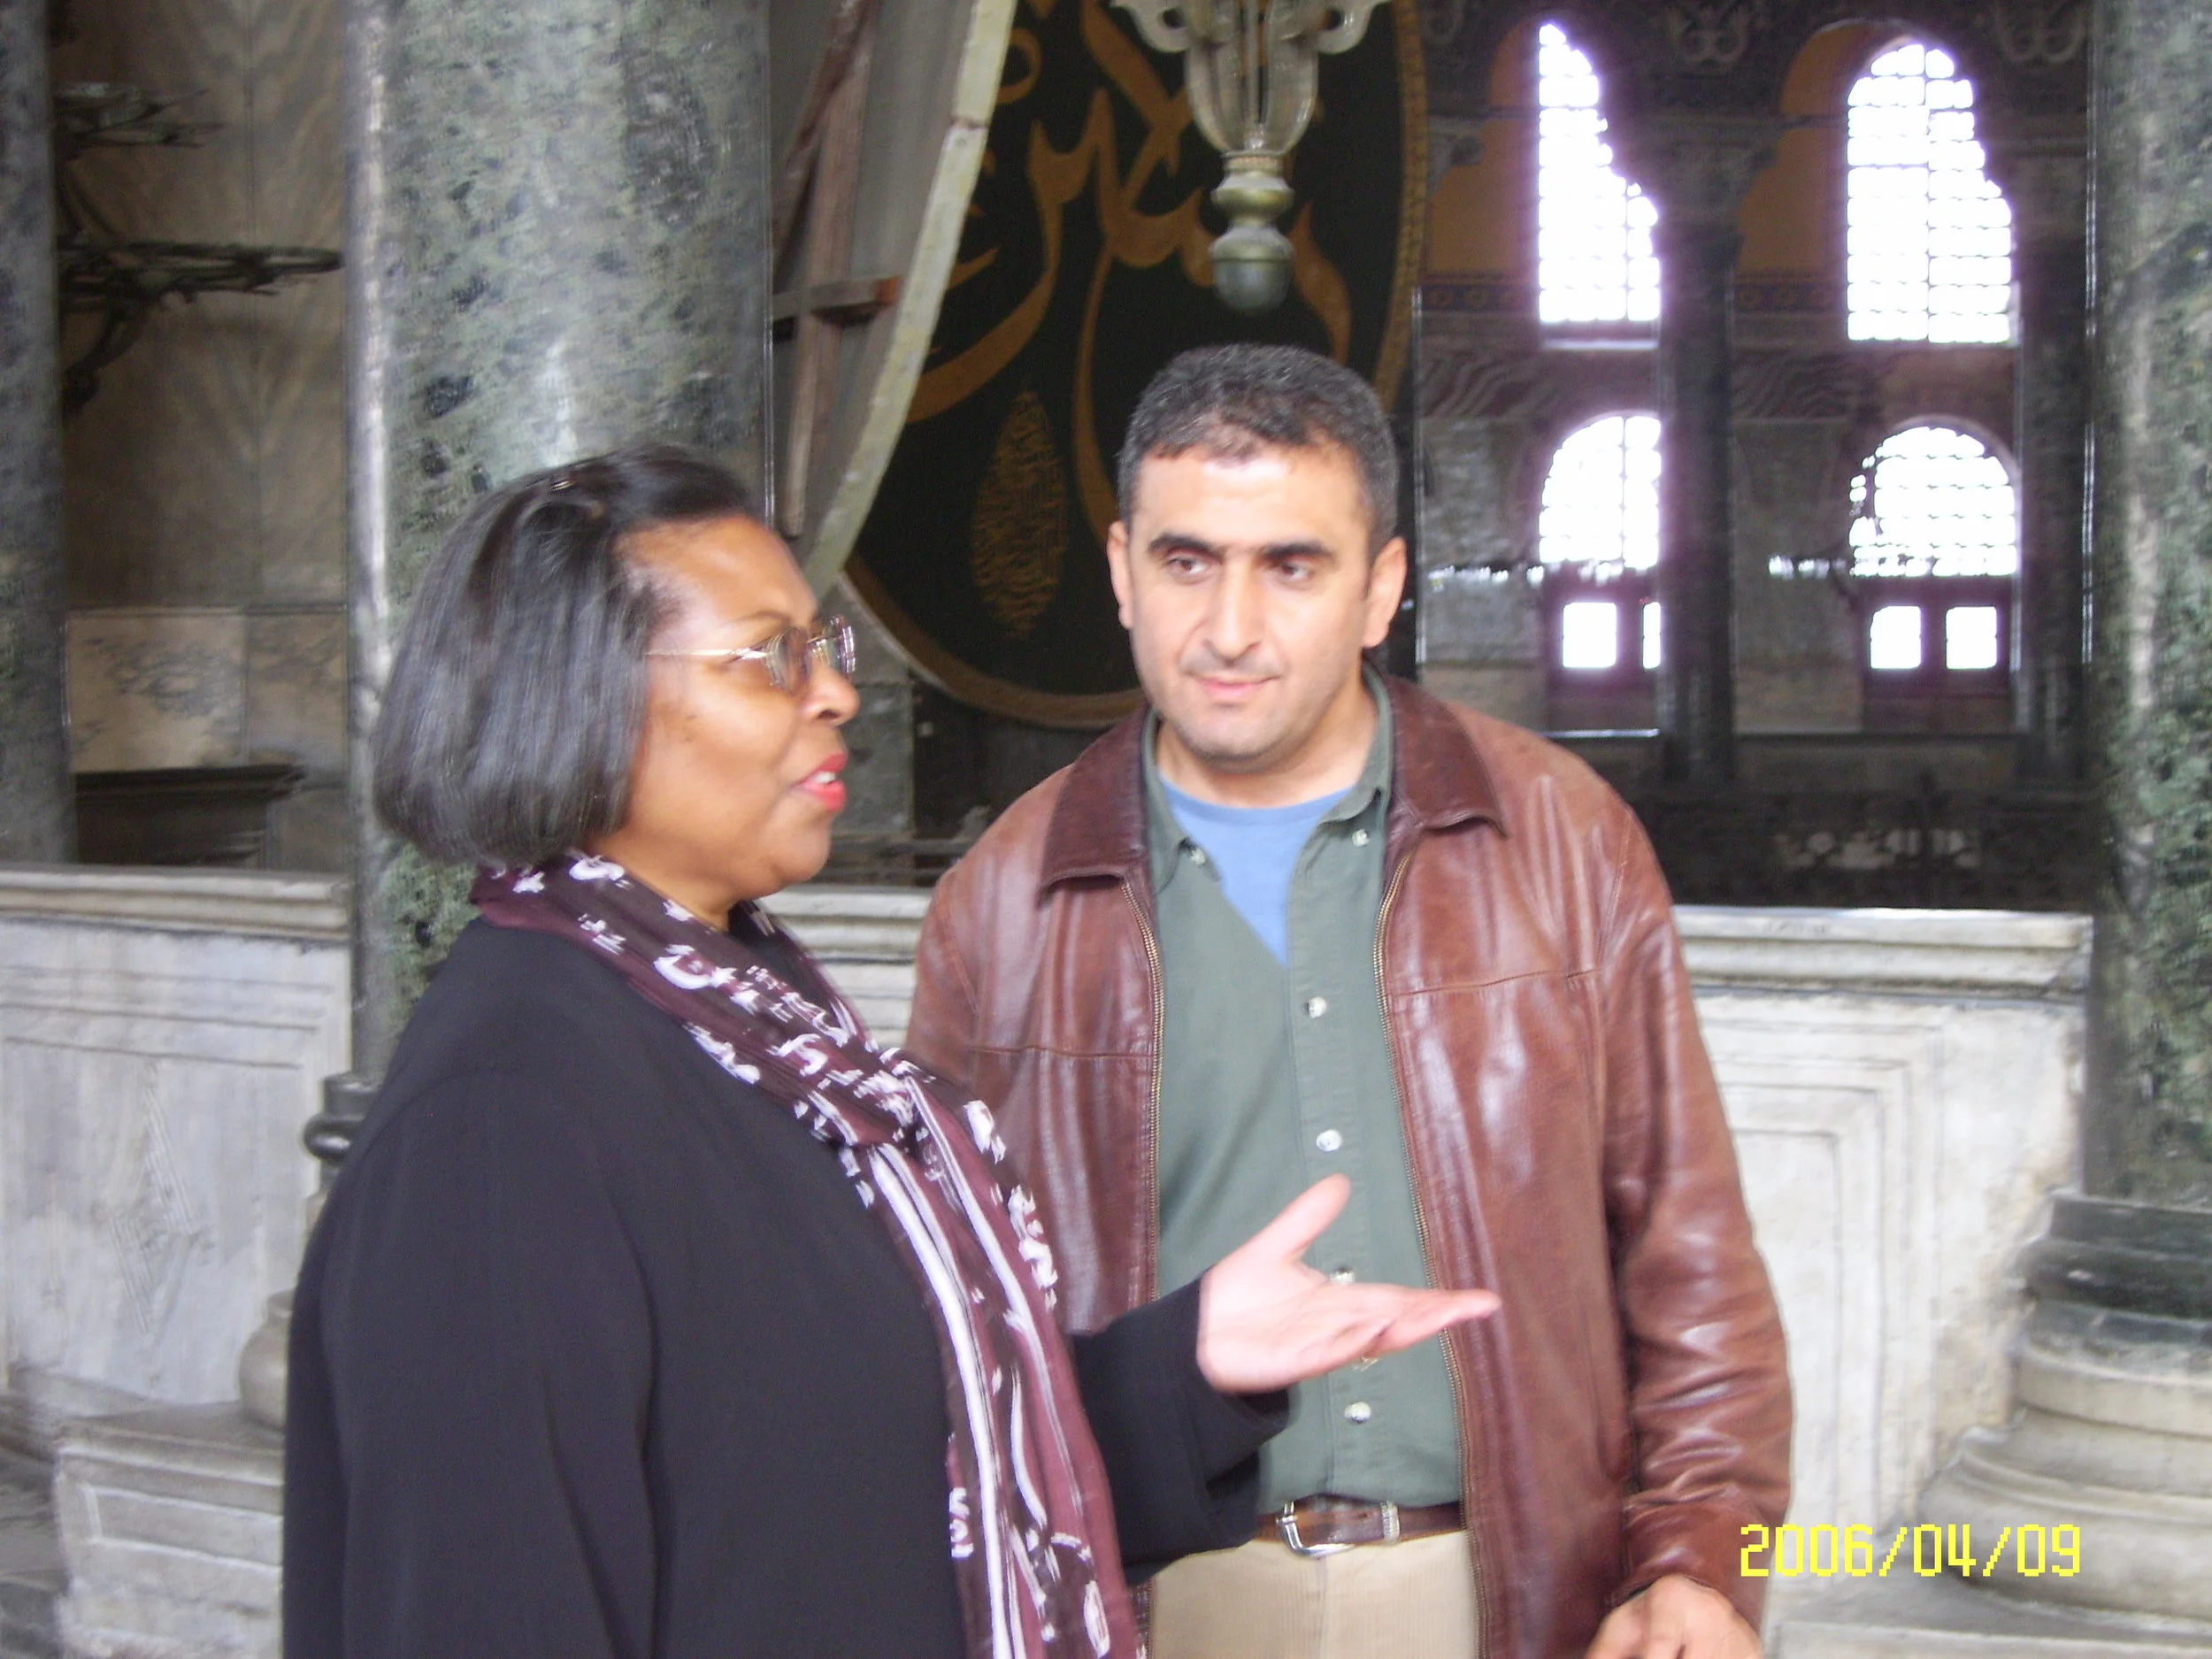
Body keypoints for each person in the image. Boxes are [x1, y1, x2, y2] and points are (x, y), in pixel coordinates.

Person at [280, 445, 1499, 1659]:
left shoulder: (769, 1042)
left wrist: (1189, 1363)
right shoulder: (505, 1123)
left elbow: (884, 1487)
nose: (835, 696)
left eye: (826, 649)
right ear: (578, 696)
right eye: (771, 657)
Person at [904, 346, 1793, 1659]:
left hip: (1494, 1587)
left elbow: (1689, 1253)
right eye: (1187, 561)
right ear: (1120, 572)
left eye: (1293, 567)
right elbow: (954, 1313)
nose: (1229, 631)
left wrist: (1707, 1563)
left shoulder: (1562, 840)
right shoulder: (1002, 899)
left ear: (1381, 587)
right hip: (1160, 1593)